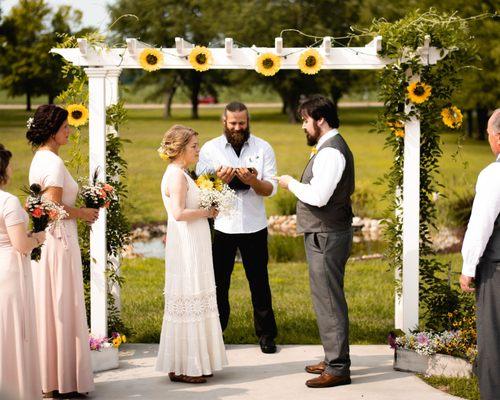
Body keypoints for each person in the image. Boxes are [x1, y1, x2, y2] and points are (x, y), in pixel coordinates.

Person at [279, 95, 354, 388]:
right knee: (326, 299)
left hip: (326, 234)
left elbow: (318, 196)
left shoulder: (331, 153)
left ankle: (337, 368)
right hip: (326, 233)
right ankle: (332, 357)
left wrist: (290, 183)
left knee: (329, 301)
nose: (302, 126)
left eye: (304, 119)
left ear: (320, 119)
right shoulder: (326, 148)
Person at [26, 105, 97, 398]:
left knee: (52, 307)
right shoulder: (52, 164)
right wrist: (83, 212)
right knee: (63, 307)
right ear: (52, 130)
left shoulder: (40, 158)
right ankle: (65, 381)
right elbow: (53, 209)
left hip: (51, 240)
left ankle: (53, 378)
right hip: (59, 241)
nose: (69, 130)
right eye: (65, 127)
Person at [196, 102, 278, 353]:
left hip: (254, 225)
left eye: (242, 123)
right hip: (222, 226)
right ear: (224, 121)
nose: (238, 127)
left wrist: (253, 181)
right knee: (219, 283)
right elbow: (201, 188)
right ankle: (216, 334)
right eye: (233, 123)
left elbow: (270, 189)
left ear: (248, 120)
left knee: (259, 283)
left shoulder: (263, 147)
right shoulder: (210, 149)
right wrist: (217, 180)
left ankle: (266, 336)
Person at [155, 124, 227, 384]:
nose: (198, 150)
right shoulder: (176, 175)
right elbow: (178, 213)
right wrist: (208, 212)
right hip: (187, 243)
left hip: (192, 240)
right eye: (194, 146)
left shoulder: (181, 173)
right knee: (190, 294)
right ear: (180, 148)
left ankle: (183, 363)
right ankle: (188, 366)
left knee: (191, 297)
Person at [460, 108, 500, 400]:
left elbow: (481, 224)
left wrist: (469, 266)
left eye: (488, 133)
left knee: (494, 342)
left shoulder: (493, 175)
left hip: (497, 270)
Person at [0, 144, 45, 400]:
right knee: (14, 330)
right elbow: (20, 245)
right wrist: (38, 237)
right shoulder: (8, 201)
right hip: (9, 271)